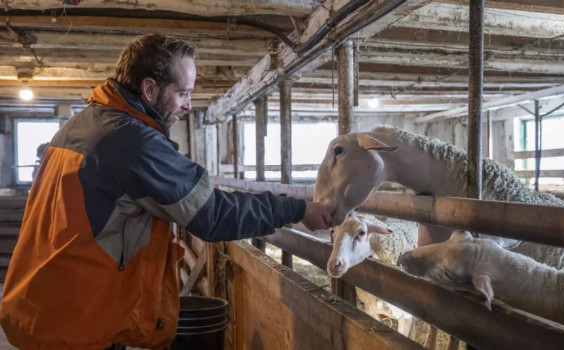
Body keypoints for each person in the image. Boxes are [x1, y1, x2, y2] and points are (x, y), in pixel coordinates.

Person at [0, 34, 332, 350]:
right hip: (78, 320)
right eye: (183, 93)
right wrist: (298, 210)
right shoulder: (129, 140)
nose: (188, 105)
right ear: (149, 89)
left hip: (45, 301)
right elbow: (212, 214)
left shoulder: (82, 124)